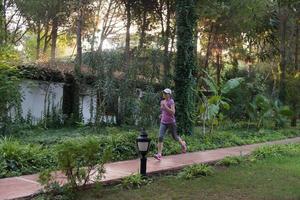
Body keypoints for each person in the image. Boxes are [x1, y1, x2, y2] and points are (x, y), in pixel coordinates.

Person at [154, 88, 187, 161]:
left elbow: (173, 112)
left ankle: (183, 144)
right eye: (163, 93)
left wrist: (165, 106)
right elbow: (163, 111)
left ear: (169, 95)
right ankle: (159, 154)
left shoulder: (171, 101)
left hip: (171, 122)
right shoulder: (162, 101)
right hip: (163, 122)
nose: (164, 94)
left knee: (175, 137)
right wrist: (161, 115)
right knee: (160, 137)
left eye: (165, 93)